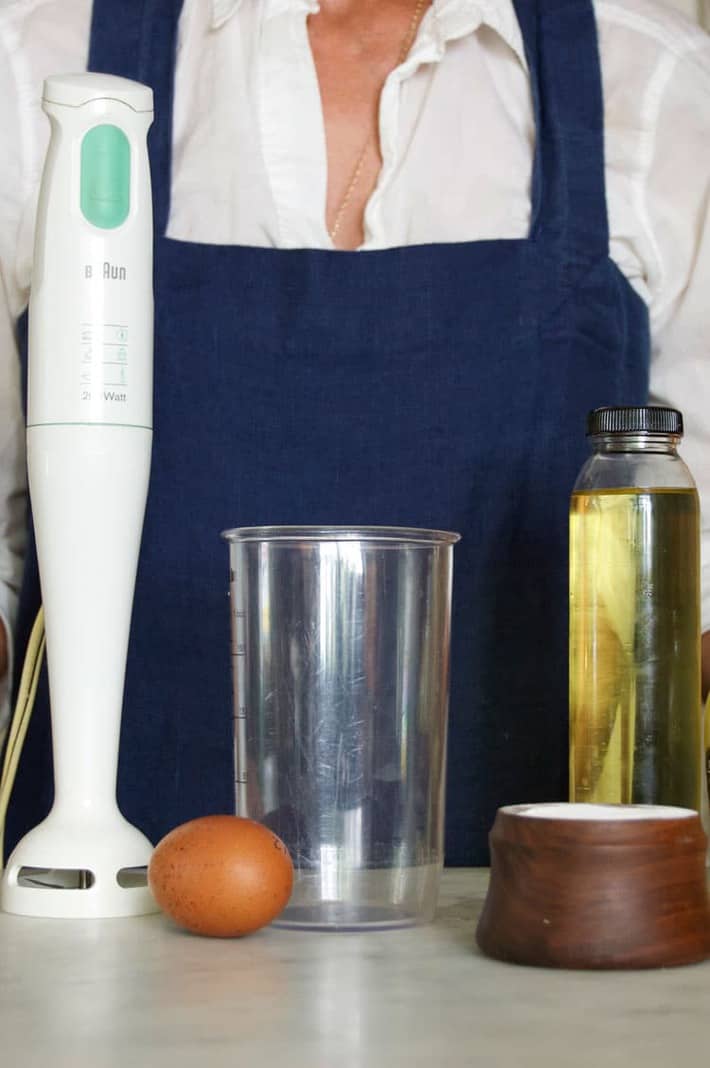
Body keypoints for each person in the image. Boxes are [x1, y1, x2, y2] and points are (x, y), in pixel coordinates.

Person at [1, 0, 709, 864]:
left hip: (543, 934)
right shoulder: (36, 65)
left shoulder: (659, 80)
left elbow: (690, 609)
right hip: (99, 905)